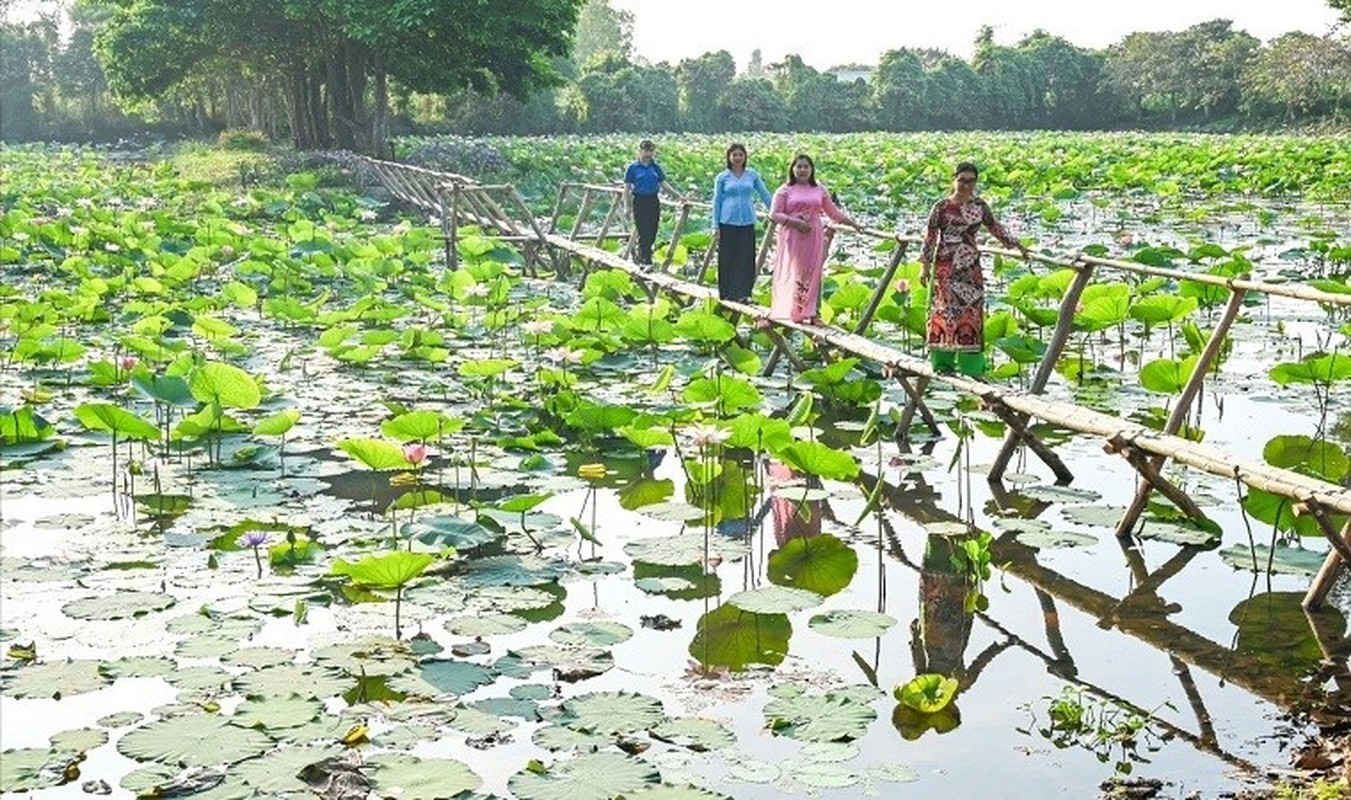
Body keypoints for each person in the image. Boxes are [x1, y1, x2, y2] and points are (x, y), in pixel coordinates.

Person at [919, 161, 1030, 376]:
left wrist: (1016, 244)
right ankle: (944, 365)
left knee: (971, 315)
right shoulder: (941, 207)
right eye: (962, 180)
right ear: (954, 179)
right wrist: (924, 267)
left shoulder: (980, 206)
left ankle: (972, 368)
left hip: (970, 267)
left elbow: (995, 227)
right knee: (945, 312)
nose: (966, 185)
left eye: (971, 181)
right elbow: (930, 237)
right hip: (946, 267)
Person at [767, 154, 860, 325]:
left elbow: (833, 213)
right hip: (794, 236)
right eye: (799, 167)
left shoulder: (819, 190)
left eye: (806, 167)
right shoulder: (784, 190)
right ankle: (797, 311)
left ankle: (814, 314)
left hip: (814, 234)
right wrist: (795, 222)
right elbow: (774, 214)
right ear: (792, 169)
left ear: (811, 170)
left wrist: (853, 224)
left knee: (815, 272)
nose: (802, 170)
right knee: (798, 272)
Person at [710, 143, 773, 301]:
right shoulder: (722, 177)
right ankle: (726, 293)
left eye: (740, 155)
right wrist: (715, 225)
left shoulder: (752, 175)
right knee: (727, 257)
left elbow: (764, 194)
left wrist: (776, 210)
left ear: (745, 157)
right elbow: (717, 201)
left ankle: (744, 293)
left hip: (747, 220)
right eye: (734, 155)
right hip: (727, 220)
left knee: (746, 257)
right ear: (729, 157)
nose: (737, 158)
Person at [623, 139, 683, 267]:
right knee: (643, 230)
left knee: (653, 230)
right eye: (645, 150)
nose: (648, 153)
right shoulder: (632, 168)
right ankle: (647, 261)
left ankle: (642, 256)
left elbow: (663, 184)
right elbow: (627, 188)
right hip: (639, 200)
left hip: (653, 200)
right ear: (639, 151)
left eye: (650, 151)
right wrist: (626, 207)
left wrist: (678, 196)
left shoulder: (655, 168)